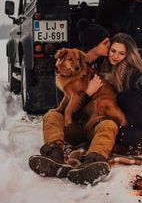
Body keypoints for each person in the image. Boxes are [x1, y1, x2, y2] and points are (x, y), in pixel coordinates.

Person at [28, 20, 123, 185]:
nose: (110, 48)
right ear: (94, 45)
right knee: (51, 115)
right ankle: (54, 156)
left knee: (109, 125)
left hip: (95, 123)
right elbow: (64, 104)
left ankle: (93, 163)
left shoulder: (110, 63)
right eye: (105, 43)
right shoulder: (69, 68)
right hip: (76, 124)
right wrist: (87, 93)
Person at [101, 33, 142, 152]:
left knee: (124, 98)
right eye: (113, 51)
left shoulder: (133, 73)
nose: (115, 56)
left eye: (121, 53)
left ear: (128, 55)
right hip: (136, 122)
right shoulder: (113, 70)